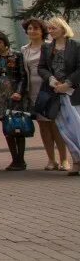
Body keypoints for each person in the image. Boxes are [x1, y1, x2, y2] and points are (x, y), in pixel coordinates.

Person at [21, 17, 66, 170]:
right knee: (43, 126)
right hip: (33, 90)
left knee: (55, 125)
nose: (32, 31)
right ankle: (51, 160)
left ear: (42, 31)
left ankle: (64, 159)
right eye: (29, 28)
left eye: (35, 28)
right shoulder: (24, 49)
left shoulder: (50, 46)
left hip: (49, 88)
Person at [38, 17, 80, 176]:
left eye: (53, 28)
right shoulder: (47, 48)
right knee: (65, 130)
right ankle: (76, 160)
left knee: (77, 127)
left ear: (63, 29)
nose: (50, 31)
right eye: (49, 29)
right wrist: (51, 79)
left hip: (73, 93)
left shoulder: (75, 46)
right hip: (55, 94)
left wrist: (68, 83)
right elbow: (41, 68)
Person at [0, 30, 28, 170]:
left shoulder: (16, 55)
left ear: (5, 42)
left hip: (14, 94)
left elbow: (23, 76)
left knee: (18, 126)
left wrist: (19, 92)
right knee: (7, 127)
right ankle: (14, 159)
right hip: (0, 95)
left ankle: (20, 159)